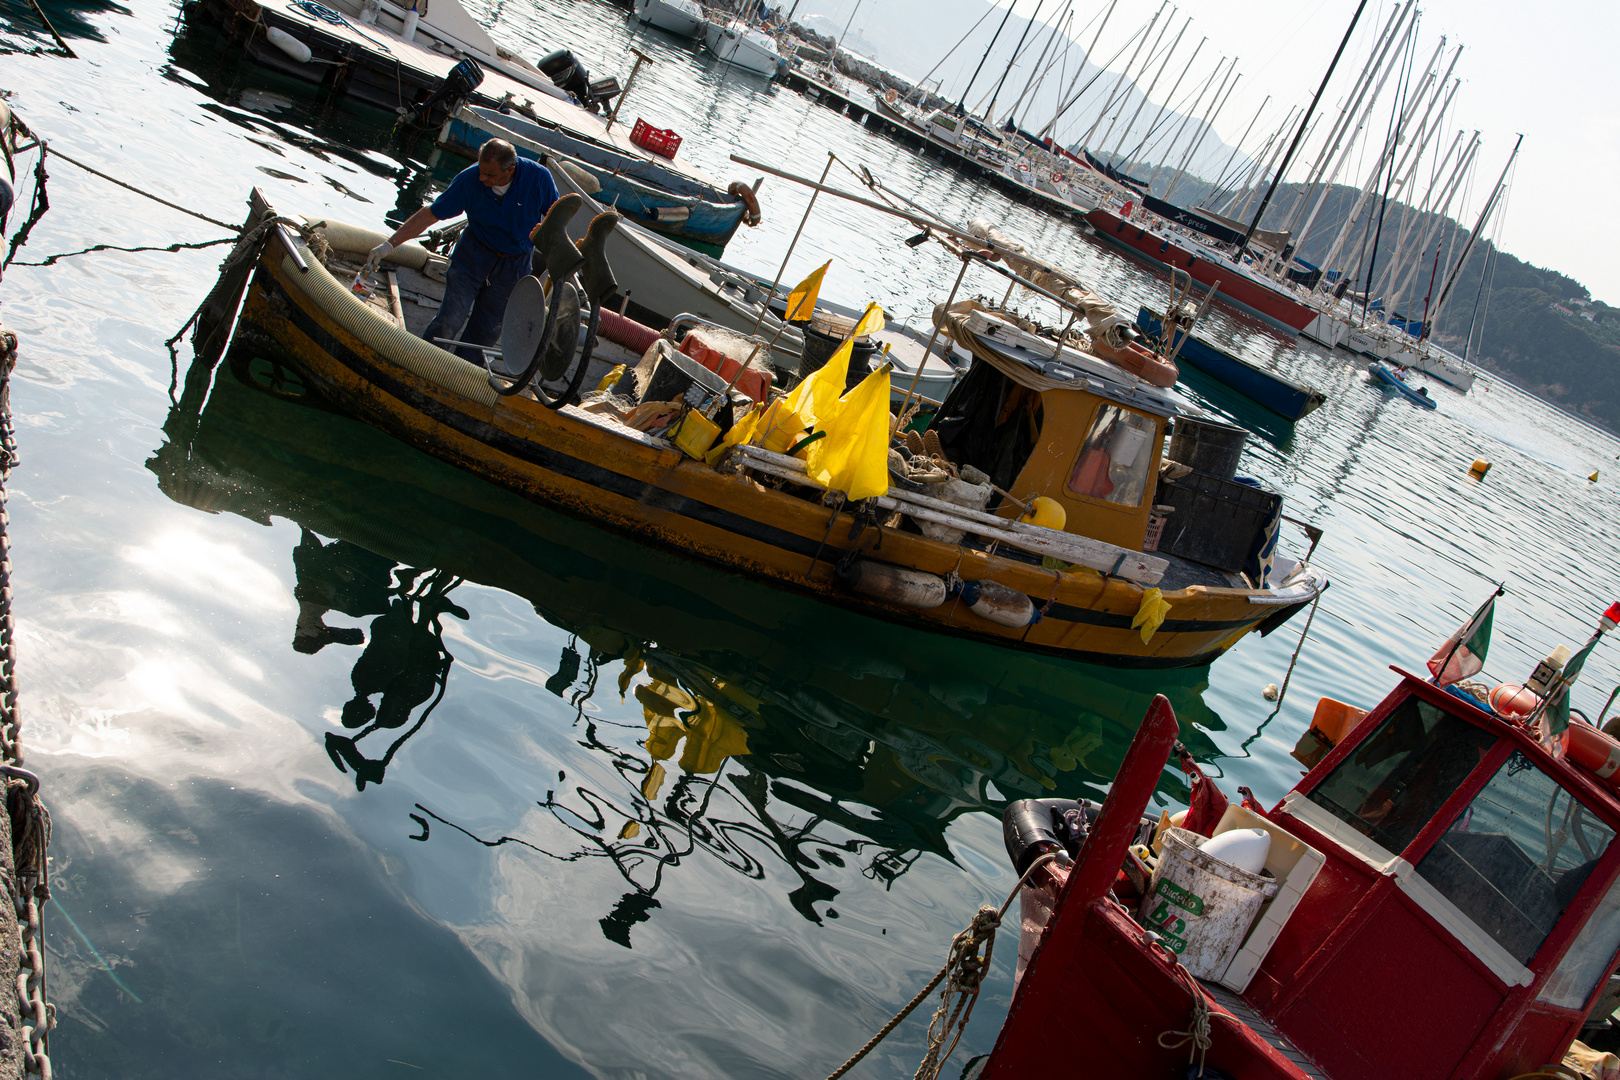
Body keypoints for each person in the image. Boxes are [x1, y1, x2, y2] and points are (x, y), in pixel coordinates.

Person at [365, 139, 558, 363]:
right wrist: (390, 244)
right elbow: (430, 214)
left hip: (513, 265)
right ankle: (420, 363)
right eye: (481, 171)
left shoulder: (538, 178)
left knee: (486, 331)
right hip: (473, 254)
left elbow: (555, 220)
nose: (482, 178)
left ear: (510, 170)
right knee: (450, 320)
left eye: (490, 175)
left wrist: (558, 257)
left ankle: (457, 376)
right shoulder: (470, 179)